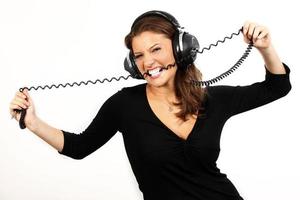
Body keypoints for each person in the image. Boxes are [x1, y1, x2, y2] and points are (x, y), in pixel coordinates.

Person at [9, 10, 291, 200]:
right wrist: (32, 121)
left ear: (181, 49)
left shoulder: (213, 100)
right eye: (139, 55)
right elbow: (78, 147)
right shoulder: (124, 105)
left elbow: (278, 87)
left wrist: (264, 47)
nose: (148, 62)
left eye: (156, 49)